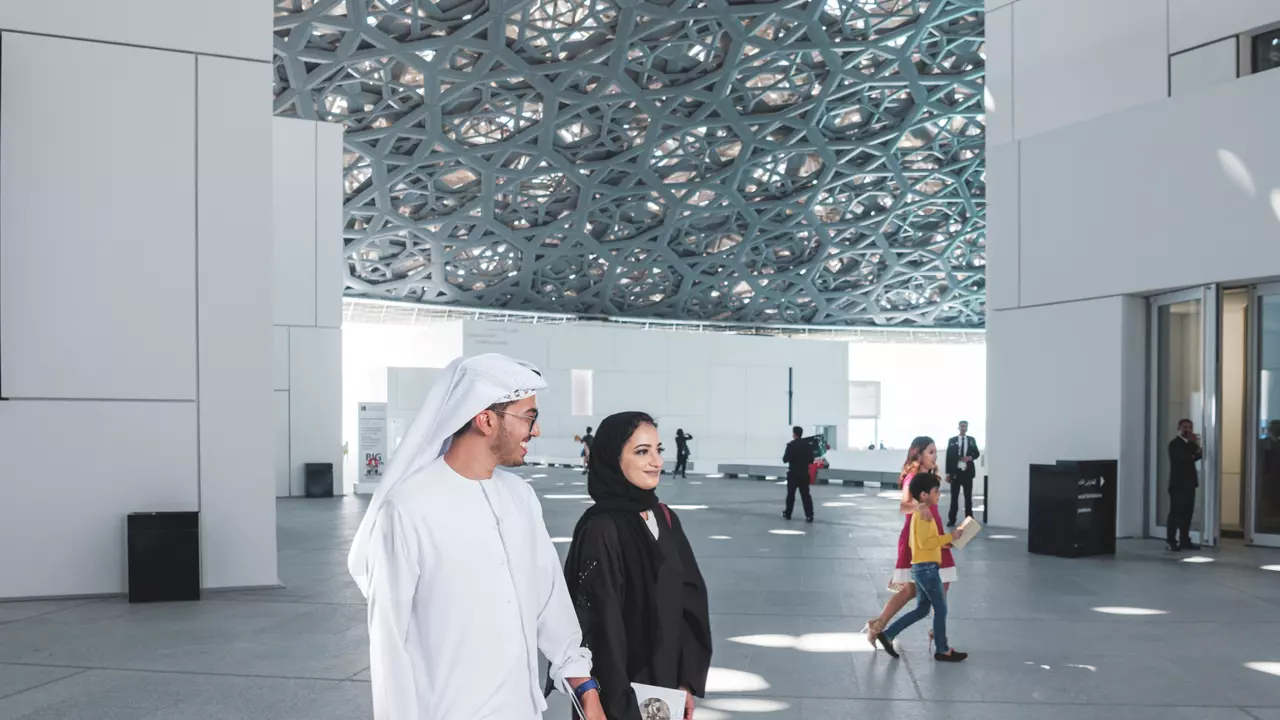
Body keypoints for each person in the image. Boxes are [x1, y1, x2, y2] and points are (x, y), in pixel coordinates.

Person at [347, 354, 605, 720]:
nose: (536, 431)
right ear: (485, 419)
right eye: (529, 417)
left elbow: (550, 602)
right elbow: (390, 647)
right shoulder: (407, 508)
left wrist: (585, 688)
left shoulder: (520, 497)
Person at [560, 412, 713, 720]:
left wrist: (685, 680)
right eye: (642, 452)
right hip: (613, 699)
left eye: (659, 450)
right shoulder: (600, 528)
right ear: (612, 458)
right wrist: (616, 705)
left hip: (662, 693)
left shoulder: (664, 517)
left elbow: (690, 599)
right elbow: (600, 626)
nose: (655, 461)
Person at [866, 436, 957, 648]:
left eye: (935, 452)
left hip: (933, 533)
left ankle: (937, 628)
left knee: (945, 579)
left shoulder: (931, 477)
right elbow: (904, 505)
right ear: (919, 454)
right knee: (910, 590)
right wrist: (919, 506)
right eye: (931, 452)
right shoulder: (912, 478)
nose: (935, 456)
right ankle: (878, 626)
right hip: (915, 539)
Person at [871, 472, 968, 662]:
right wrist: (951, 537)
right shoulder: (924, 515)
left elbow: (921, 542)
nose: (938, 495)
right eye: (935, 491)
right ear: (924, 495)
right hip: (927, 569)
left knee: (922, 610)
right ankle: (942, 649)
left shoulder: (920, 513)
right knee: (941, 609)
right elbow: (925, 543)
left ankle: (888, 634)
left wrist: (945, 542)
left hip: (921, 567)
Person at [1167, 418, 1203, 551]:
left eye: (1190, 427)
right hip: (1177, 484)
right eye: (1185, 427)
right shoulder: (1174, 444)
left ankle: (1184, 540)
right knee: (1175, 513)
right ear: (1179, 428)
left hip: (1190, 484)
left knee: (1187, 513)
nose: (1188, 430)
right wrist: (1192, 456)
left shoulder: (1191, 444)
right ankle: (1170, 540)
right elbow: (1182, 460)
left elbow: (1199, 454)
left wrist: (1196, 445)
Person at [945, 421, 980, 527]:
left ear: (967, 428)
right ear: (959, 427)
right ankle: (952, 520)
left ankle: (969, 521)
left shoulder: (971, 440)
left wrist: (969, 458)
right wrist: (948, 473)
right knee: (954, 497)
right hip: (956, 473)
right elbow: (949, 457)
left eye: (965, 426)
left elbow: (977, 453)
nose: (964, 428)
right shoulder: (952, 441)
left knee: (968, 497)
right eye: (962, 426)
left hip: (967, 473)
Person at [782, 426, 816, 522]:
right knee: (805, 495)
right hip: (804, 474)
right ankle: (809, 515)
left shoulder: (791, 445)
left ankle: (788, 514)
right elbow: (811, 460)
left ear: (794, 434)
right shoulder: (807, 445)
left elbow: (785, 459)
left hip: (793, 474)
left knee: (791, 495)